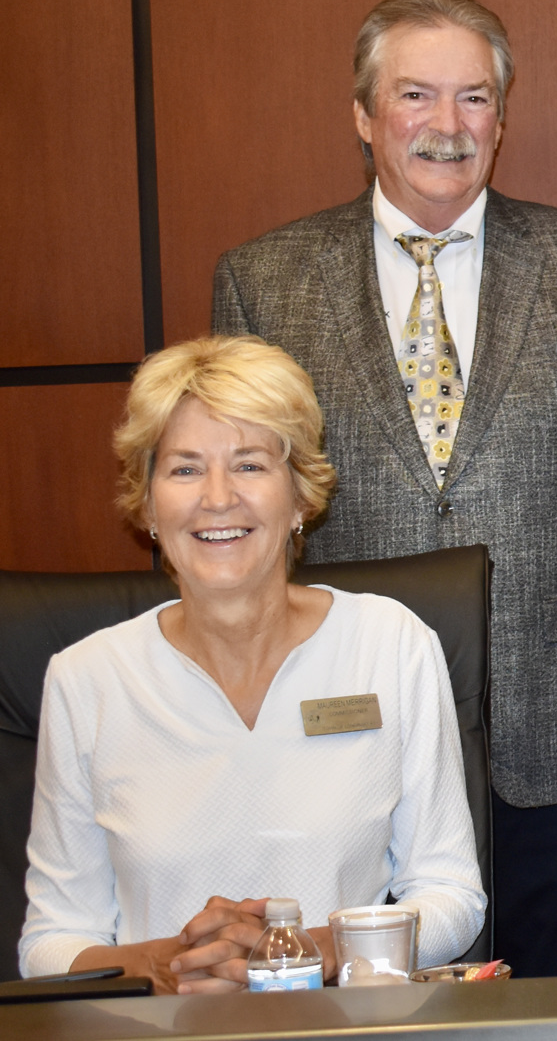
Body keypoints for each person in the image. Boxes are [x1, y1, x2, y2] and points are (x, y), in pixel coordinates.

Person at [211, 0, 557, 978]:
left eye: (473, 98)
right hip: (344, 739)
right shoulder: (265, 282)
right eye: (415, 97)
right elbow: (246, 530)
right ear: (363, 116)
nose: (446, 125)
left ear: (502, 117)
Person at [19, 336, 485, 990]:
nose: (217, 497)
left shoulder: (391, 643)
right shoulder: (86, 679)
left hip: (344, 1032)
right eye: (184, 469)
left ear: (300, 498)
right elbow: (50, 942)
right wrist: (162, 966)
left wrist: (313, 948)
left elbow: (450, 898)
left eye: (249, 465)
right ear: (149, 506)